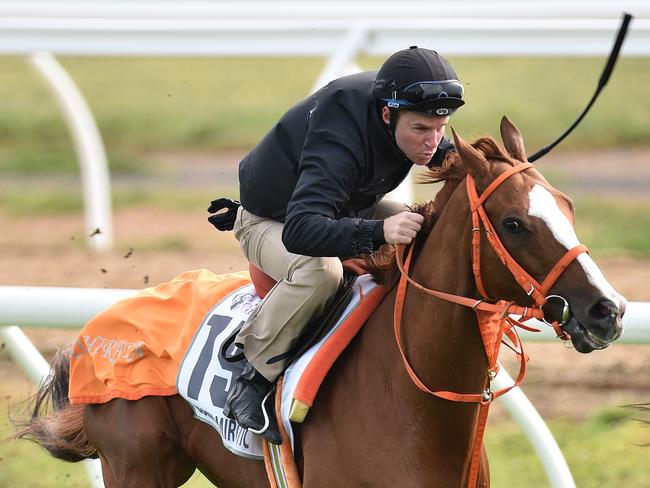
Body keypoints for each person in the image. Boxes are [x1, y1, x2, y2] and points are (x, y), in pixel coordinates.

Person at [208, 46, 465, 444]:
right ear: (387, 114)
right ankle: (252, 379)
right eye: (421, 130)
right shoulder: (339, 137)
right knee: (320, 271)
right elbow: (302, 231)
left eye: (441, 127)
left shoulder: (404, 114)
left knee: (425, 227)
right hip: (273, 220)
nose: (432, 142)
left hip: (341, 205)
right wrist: (379, 233)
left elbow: (452, 161)